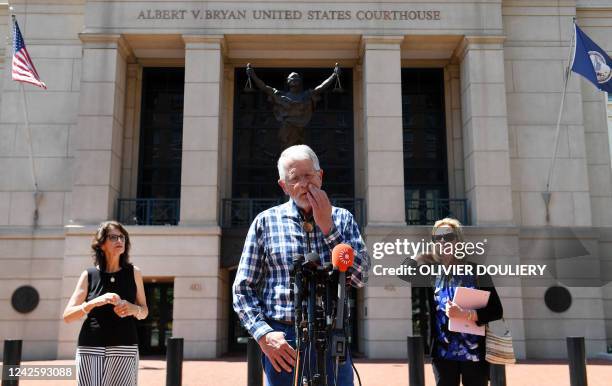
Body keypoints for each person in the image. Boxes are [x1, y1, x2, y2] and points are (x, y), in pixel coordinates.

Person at [232, 144, 370, 386]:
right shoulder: (264, 222)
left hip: (332, 335)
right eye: (295, 178)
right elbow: (242, 288)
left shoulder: (343, 219)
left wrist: (329, 228)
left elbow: (361, 276)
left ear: (321, 176)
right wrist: (263, 334)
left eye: (309, 175)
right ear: (284, 186)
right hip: (283, 340)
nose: (305, 184)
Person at [403, 218, 503, 386]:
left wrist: (466, 314)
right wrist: (420, 255)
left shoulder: (477, 271)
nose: (443, 241)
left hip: (474, 354)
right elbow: (403, 272)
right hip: (443, 355)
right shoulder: (430, 272)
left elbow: (496, 310)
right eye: (437, 238)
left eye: (448, 236)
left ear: (458, 241)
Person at [63, 221, 148, 386]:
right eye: (113, 237)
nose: (120, 241)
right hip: (90, 346)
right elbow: (67, 316)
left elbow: (144, 311)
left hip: (125, 345)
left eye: (122, 237)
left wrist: (133, 309)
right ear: (101, 244)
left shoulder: (134, 272)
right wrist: (92, 303)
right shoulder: (89, 275)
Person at [246, 64, 340, 147]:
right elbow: (265, 88)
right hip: (286, 129)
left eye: (296, 79)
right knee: (287, 152)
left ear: (300, 82)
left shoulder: (306, 95)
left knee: (302, 152)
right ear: (288, 81)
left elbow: (320, 88)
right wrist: (252, 75)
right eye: (292, 79)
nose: (294, 81)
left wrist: (333, 75)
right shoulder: (281, 96)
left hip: (302, 128)